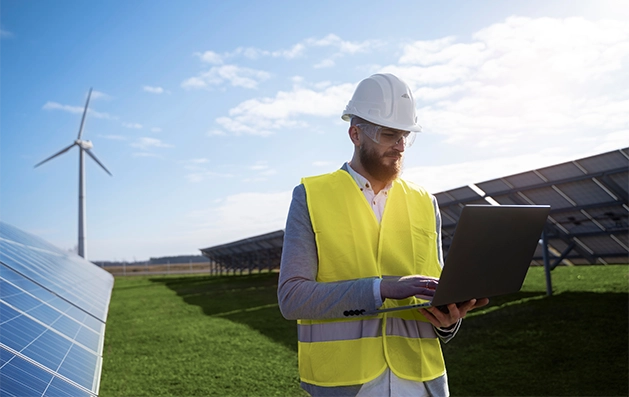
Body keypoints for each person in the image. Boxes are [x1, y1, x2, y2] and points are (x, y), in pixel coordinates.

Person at [277, 73, 489, 397]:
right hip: (346, 384)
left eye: (405, 135)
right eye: (390, 134)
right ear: (355, 134)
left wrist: (449, 319)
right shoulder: (310, 196)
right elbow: (292, 298)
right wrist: (381, 289)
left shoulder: (424, 202)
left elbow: (436, 290)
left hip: (423, 382)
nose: (401, 145)